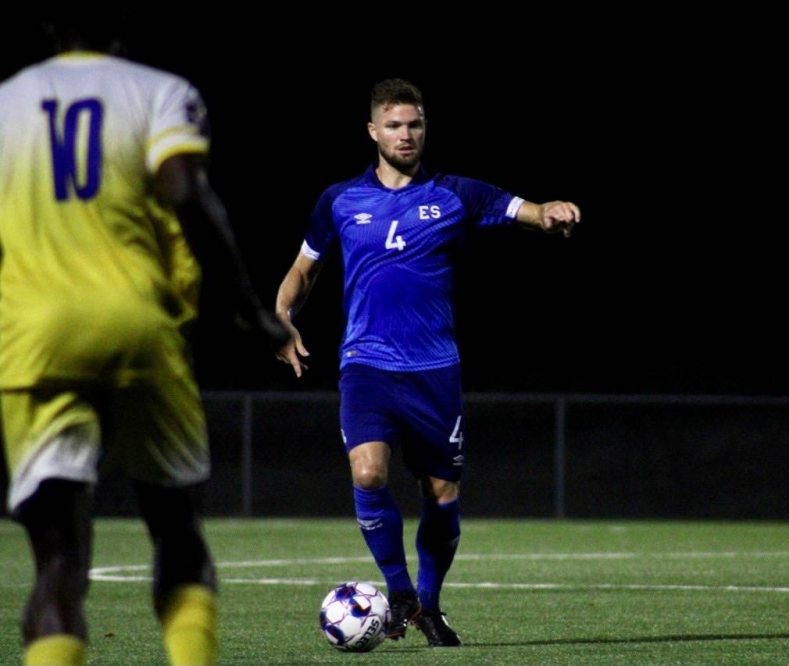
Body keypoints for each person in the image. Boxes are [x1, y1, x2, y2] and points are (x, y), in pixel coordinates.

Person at [0, 10, 290, 666]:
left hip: (32, 339)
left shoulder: (7, 102)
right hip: (137, 328)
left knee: (57, 565)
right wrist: (248, 306)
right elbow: (187, 194)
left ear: (49, 27)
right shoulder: (157, 91)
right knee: (178, 533)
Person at [274, 77, 580, 647]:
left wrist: (552, 212)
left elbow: (526, 210)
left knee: (441, 496)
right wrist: (282, 317)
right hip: (365, 363)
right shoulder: (339, 200)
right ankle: (400, 591)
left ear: (424, 128)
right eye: (393, 125)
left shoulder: (456, 193)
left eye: (414, 124)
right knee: (367, 472)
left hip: (435, 371)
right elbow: (302, 270)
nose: (405, 134)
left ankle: (430, 606)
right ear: (373, 131)